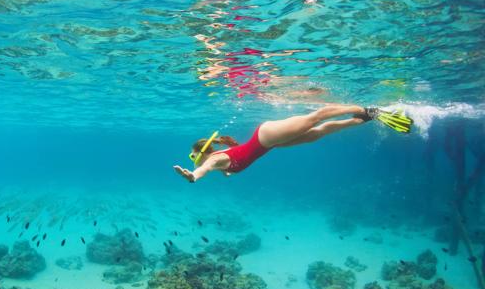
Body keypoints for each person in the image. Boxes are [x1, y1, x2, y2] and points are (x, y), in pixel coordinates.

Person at [173, 105, 412, 183]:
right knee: (318, 133)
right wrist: (224, 171)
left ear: (203, 154)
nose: (194, 161)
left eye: (193, 158)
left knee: (314, 118)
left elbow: (205, 169)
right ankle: (364, 119)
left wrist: (194, 176)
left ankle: (369, 110)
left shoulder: (213, 161)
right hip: (269, 143)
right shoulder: (219, 161)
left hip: (266, 137)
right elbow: (225, 166)